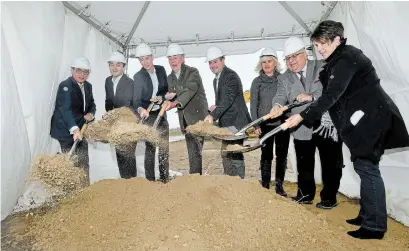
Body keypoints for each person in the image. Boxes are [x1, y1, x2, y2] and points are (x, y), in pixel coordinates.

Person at [284, 20, 409, 239]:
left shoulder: (347, 58)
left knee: (368, 169)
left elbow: (331, 96)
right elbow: (331, 96)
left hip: (372, 118)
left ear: (337, 40)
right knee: (364, 167)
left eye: (324, 43)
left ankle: (374, 226)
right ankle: (366, 214)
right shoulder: (335, 60)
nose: (320, 48)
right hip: (362, 120)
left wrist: (302, 116)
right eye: (316, 44)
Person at [272, 37, 344, 208]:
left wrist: (311, 97)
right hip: (301, 126)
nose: (291, 61)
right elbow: (280, 95)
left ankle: (329, 197)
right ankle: (305, 194)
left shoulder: (322, 67)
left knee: (330, 162)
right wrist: (276, 105)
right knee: (304, 163)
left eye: (295, 56)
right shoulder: (284, 78)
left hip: (325, 123)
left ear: (305, 53)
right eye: (288, 58)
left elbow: (332, 92)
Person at [204, 46, 252, 179]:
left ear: (222, 60)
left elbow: (228, 99)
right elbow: (224, 102)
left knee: (235, 154)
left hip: (237, 122)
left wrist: (212, 115)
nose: (213, 65)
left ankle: (239, 184)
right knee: (225, 154)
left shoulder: (231, 76)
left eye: (215, 61)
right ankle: (229, 183)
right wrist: (215, 107)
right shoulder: (216, 79)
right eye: (210, 62)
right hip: (226, 123)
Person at [250, 48, 290, 196]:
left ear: (276, 62)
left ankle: (279, 186)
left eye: (269, 61)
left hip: (282, 125)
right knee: (266, 156)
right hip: (265, 126)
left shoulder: (284, 78)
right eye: (263, 62)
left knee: (282, 156)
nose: (266, 64)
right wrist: (256, 124)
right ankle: (265, 186)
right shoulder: (257, 82)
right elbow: (253, 105)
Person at [165, 43, 209, 174]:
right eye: (170, 59)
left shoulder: (192, 72)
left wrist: (174, 102)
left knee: (195, 151)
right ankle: (195, 177)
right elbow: (169, 94)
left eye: (176, 58)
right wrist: (166, 98)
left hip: (197, 118)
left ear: (182, 58)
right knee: (192, 151)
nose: (173, 61)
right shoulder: (169, 78)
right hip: (184, 120)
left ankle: (195, 178)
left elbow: (189, 90)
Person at [50, 57, 96, 182]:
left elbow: (92, 104)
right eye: (78, 71)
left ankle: (84, 189)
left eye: (85, 72)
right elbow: (65, 110)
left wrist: (91, 113)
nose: (82, 74)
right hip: (65, 129)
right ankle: (71, 192)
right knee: (71, 162)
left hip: (81, 127)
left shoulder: (88, 86)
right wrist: (75, 129)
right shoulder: (65, 86)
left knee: (83, 160)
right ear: (72, 70)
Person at [132, 43, 169, 182]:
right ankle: (150, 181)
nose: (145, 62)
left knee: (164, 146)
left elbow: (165, 89)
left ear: (152, 57)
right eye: (141, 59)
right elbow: (136, 100)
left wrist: (164, 97)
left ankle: (165, 178)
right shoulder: (138, 76)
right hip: (148, 115)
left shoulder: (161, 70)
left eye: (147, 58)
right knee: (150, 147)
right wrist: (141, 109)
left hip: (161, 112)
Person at [105, 51, 137, 179]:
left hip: (128, 123)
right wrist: (108, 115)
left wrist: (113, 116)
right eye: (112, 65)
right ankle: (124, 183)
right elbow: (108, 101)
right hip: (116, 123)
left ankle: (132, 184)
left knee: (128, 155)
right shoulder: (108, 81)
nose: (114, 68)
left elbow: (125, 104)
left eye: (118, 65)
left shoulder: (129, 83)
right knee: (119, 154)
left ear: (124, 67)